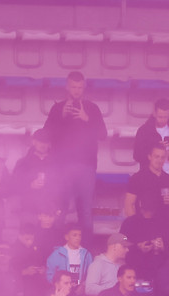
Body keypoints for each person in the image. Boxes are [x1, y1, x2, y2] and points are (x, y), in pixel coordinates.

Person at [41, 71, 106, 234]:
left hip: (86, 167)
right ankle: (55, 249)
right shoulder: (57, 108)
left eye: (80, 87)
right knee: (60, 209)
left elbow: (103, 135)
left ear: (84, 88)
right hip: (62, 167)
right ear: (67, 87)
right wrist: (61, 116)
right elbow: (45, 135)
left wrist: (87, 119)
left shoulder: (92, 108)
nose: (77, 90)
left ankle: (87, 252)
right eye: (73, 87)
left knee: (85, 211)